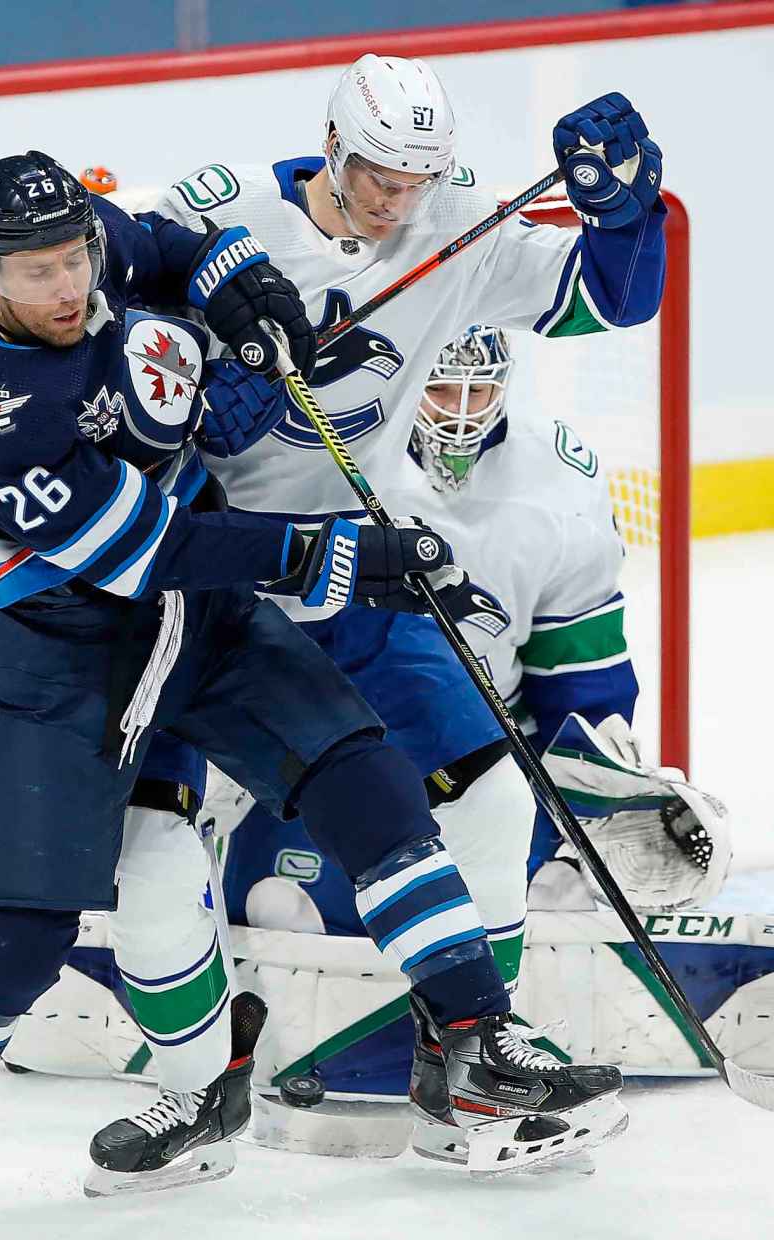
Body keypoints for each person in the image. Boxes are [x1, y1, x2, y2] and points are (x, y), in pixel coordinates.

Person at [0, 151, 621, 1230]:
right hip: (67, 646)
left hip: (206, 621)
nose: (66, 289)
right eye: (36, 275)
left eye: (73, 260)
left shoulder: (95, 240)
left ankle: (475, 1037)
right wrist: (327, 555)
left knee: (366, 779)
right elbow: (149, 547)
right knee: (22, 930)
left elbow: (187, 246)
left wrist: (246, 291)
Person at [148, 58, 669, 1002]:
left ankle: (477, 1050)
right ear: (333, 147)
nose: (395, 205)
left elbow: (610, 299)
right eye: (378, 179)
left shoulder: (454, 223)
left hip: (358, 564)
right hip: (208, 578)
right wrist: (183, 410)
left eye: (415, 183)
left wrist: (626, 211)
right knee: (151, 835)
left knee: (496, 795)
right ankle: (186, 1045)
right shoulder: (215, 218)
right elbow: (107, 373)